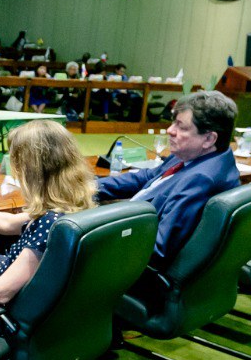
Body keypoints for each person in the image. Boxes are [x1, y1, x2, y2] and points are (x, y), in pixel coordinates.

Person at [0, 120, 97, 332]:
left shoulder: (49, 222)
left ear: (31, 169)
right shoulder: (67, 206)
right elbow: (7, 223)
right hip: (16, 282)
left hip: (2, 311)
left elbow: (1, 291)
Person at [96, 90, 241, 265]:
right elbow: (146, 177)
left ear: (209, 138)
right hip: (137, 221)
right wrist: (92, 186)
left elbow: (158, 249)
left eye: (182, 126)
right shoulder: (198, 154)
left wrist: (99, 238)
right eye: (174, 122)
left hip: (136, 254)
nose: (170, 130)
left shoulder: (200, 180)